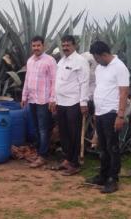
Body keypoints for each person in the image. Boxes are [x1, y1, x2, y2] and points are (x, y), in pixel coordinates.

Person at [86, 41, 129, 193]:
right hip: (100, 112)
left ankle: (113, 179)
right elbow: (100, 89)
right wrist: (96, 113)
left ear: (104, 55)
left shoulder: (119, 67)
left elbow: (124, 93)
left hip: (112, 113)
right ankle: (102, 176)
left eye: (96, 58)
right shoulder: (99, 68)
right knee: (103, 147)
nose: (95, 61)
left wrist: (120, 115)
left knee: (112, 147)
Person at [55, 35, 90, 175]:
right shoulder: (61, 61)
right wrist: (55, 100)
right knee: (63, 133)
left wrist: (83, 102)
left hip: (74, 102)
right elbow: (58, 82)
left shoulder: (80, 61)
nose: (65, 48)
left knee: (73, 134)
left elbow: (84, 82)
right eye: (63, 45)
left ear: (74, 46)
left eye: (68, 45)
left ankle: (74, 163)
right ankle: (67, 159)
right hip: (61, 102)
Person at [21, 35, 57, 168]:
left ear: (44, 46)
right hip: (32, 99)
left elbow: (54, 81)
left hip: (44, 100)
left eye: (38, 45)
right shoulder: (30, 61)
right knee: (36, 127)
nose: (36, 48)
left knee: (43, 129)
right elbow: (27, 79)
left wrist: (53, 99)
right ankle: (40, 152)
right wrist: (24, 96)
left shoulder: (50, 61)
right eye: (34, 46)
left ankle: (43, 156)